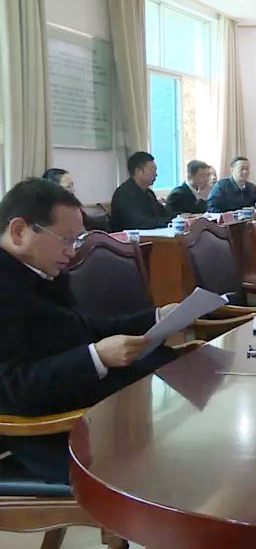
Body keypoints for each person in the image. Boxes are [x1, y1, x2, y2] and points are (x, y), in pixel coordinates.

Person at [0, 178, 182, 483]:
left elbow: (84, 328)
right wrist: (95, 357)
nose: (72, 252)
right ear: (19, 231)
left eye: (77, 240)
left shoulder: (40, 271)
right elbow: (11, 388)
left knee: (182, 384)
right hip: (51, 433)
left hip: (93, 408)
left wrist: (155, 317)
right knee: (181, 449)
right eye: (65, 239)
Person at [110, 151, 172, 231]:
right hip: (129, 238)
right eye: (152, 170)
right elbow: (140, 223)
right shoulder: (124, 194)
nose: (156, 174)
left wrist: (180, 218)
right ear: (138, 172)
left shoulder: (149, 193)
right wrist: (170, 221)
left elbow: (164, 214)